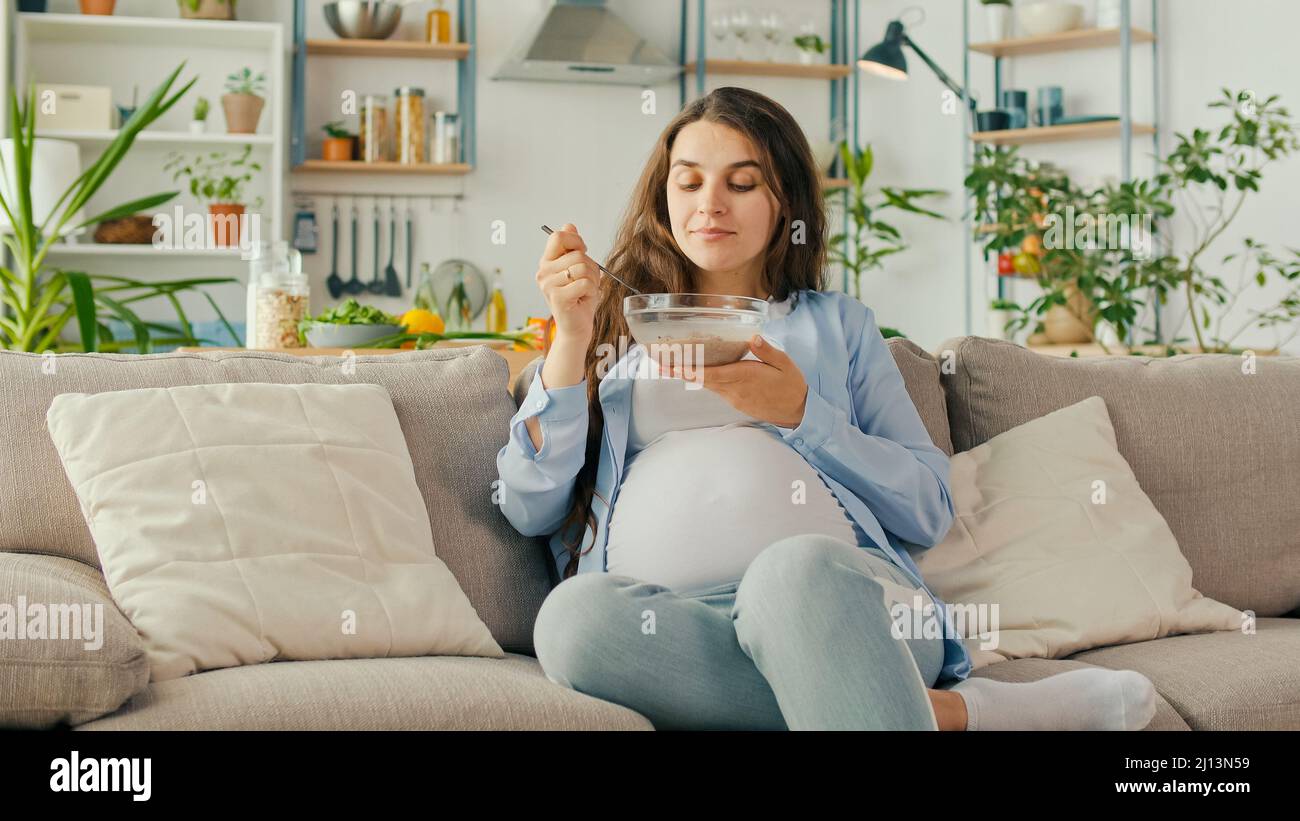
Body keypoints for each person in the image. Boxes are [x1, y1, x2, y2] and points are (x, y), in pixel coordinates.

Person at [495, 86, 1157, 731]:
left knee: (789, 572)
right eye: (689, 181)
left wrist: (805, 415)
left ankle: (864, 682)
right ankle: (949, 712)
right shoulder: (614, 329)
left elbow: (927, 506)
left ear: (786, 202)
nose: (710, 203)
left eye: (743, 182)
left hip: (849, 607)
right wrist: (573, 339)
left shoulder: (839, 328)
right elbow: (528, 506)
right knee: (569, 620)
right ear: (663, 198)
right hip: (673, 624)